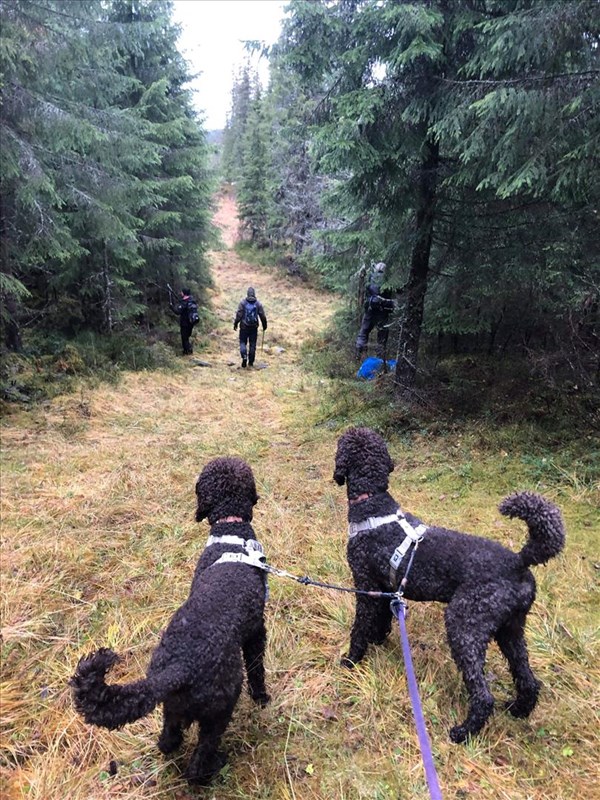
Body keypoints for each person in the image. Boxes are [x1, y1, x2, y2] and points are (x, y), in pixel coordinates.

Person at [355, 262, 395, 361]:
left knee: (364, 331)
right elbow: (394, 292)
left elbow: (366, 290)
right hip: (383, 312)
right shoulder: (388, 280)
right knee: (382, 336)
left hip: (370, 310)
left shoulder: (370, 278)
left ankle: (358, 353)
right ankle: (380, 359)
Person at [234, 287, 267, 368]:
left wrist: (235, 323)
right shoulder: (258, 304)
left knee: (242, 342)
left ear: (247, 294)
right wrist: (264, 325)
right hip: (254, 327)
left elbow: (239, 314)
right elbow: (262, 315)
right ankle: (251, 362)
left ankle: (244, 356)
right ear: (254, 294)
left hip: (244, 327)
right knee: (252, 344)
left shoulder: (243, 303)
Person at [171, 288, 199, 355]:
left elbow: (177, 312)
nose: (181, 293)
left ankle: (188, 352)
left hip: (185, 323)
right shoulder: (192, 300)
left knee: (184, 338)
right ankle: (188, 350)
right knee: (187, 336)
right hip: (191, 322)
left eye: (181, 292)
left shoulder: (184, 302)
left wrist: (171, 307)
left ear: (184, 293)